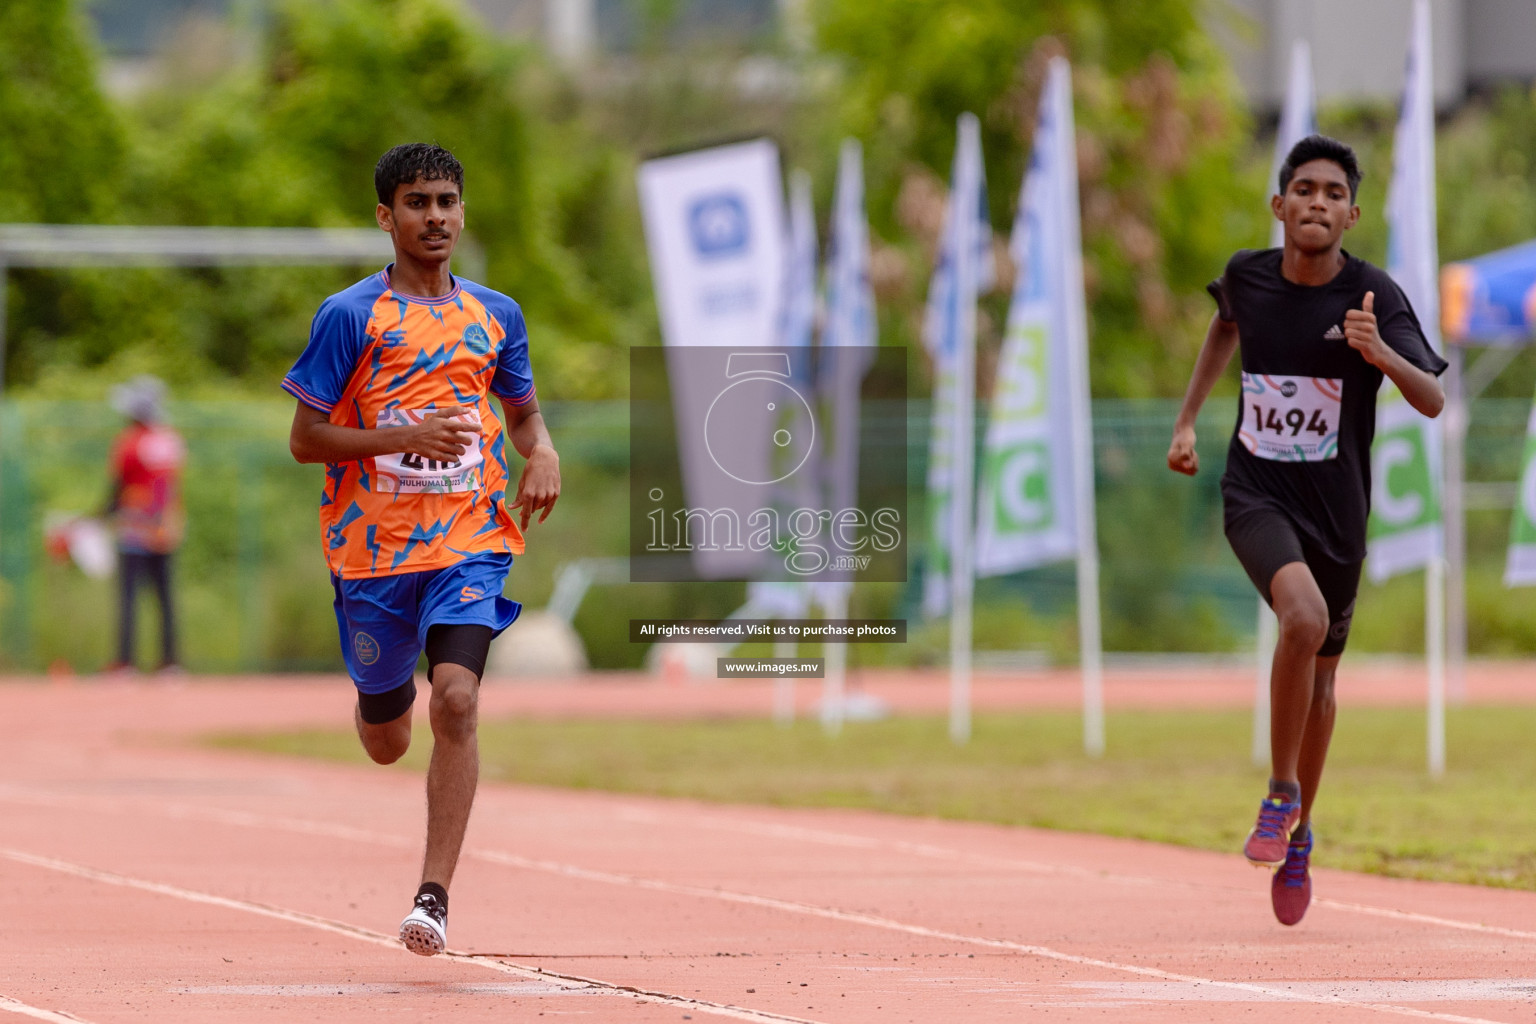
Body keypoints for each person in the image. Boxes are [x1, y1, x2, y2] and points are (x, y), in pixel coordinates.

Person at [283, 143, 560, 955]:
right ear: (386, 216)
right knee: (387, 740)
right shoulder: (349, 317)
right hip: (371, 555)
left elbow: (524, 416)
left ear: (462, 212)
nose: (434, 217)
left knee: (459, 702)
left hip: (467, 543)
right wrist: (405, 435)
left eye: (446, 201)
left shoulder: (497, 315)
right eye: (416, 203)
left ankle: (432, 897)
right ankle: (377, 694)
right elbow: (305, 440)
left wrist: (541, 450)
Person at [1166, 135, 1445, 926]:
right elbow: (1225, 323)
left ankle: (1300, 832)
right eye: (1304, 189)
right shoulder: (1249, 275)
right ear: (1279, 205)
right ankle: (1278, 791)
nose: (1317, 202)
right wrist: (1187, 422)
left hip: (1337, 513)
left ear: (1351, 214)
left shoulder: (1372, 295)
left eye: (1333, 194)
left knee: (1324, 678)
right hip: (1255, 491)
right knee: (1303, 617)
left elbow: (1433, 401)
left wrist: (1381, 353)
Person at [105, 374, 186, 674]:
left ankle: (125, 662)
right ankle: (171, 663)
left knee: (128, 597)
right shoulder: (171, 439)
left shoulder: (128, 443)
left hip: (134, 529)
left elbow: (116, 488)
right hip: (166, 527)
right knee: (165, 598)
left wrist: (98, 516)